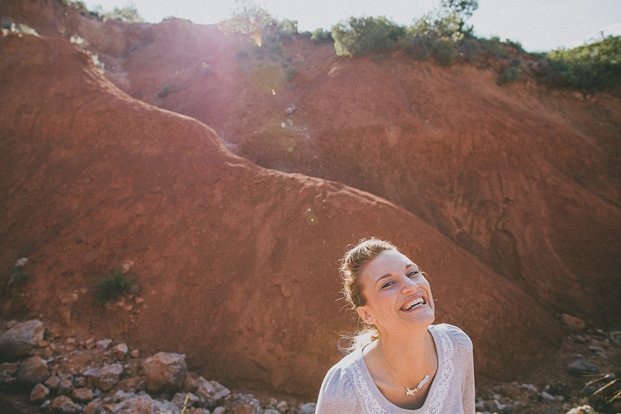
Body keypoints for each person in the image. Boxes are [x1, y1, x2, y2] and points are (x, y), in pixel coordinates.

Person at [316, 238, 475, 413]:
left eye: (412, 273)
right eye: (388, 284)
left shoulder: (457, 346)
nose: (411, 286)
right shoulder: (344, 388)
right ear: (367, 314)